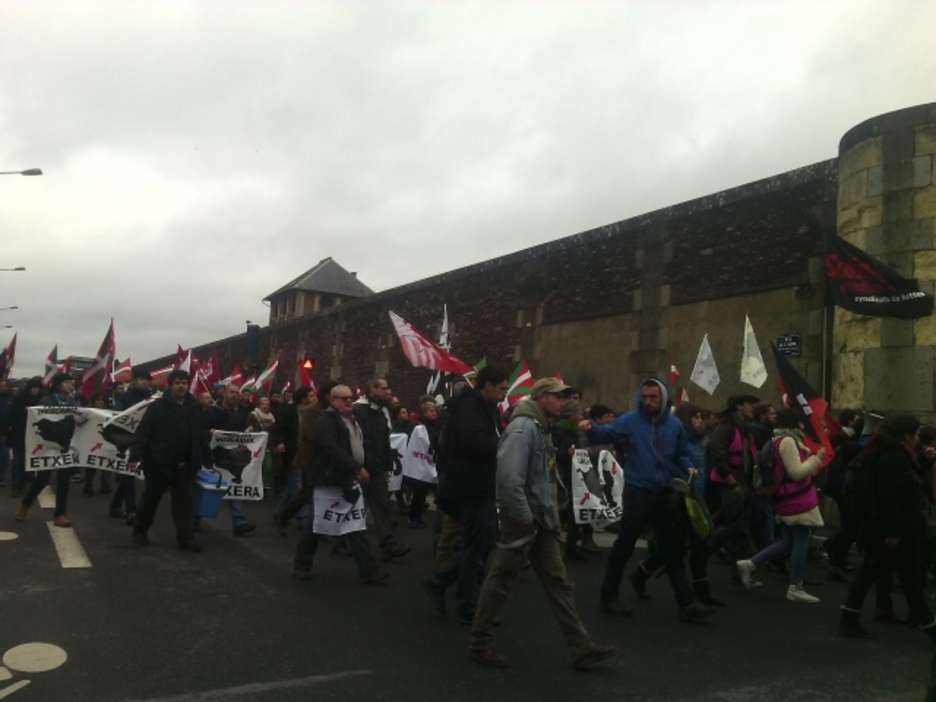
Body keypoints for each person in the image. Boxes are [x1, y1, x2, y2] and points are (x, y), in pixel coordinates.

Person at [468, 378, 616, 670]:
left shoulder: (541, 428)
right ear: (541, 398)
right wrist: (524, 517)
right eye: (557, 397)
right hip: (523, 519)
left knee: (558, 581)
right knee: (501, 579)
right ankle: (479, 642)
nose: (564, 402)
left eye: (564, 397)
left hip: (541, 519)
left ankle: (581, 647)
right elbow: (509, 480)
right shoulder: (523, 430)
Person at [581, 378, 714, 621]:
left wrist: (688, 466)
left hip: (664, 493)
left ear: (663, 398)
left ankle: (686, 603)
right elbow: (605, 432)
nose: (648, 401)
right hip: (637, 491)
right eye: (645, 397)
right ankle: (608, 596)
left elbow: (681, 453)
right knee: (624, 545)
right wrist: (589, 428)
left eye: (653, 397)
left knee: (672, 548)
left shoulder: (674, 425)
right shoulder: (630, 420)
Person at [840, 415, 936, 643]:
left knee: (872, 573)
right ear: (906, 435)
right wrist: (893, 532)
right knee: (910, 579)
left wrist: (923, 460)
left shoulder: (896, 453)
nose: (917, 439)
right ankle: (930, 627)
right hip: (894, 531)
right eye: (916, 435)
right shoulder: (893, 457)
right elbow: (889, 497)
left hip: (889, 529)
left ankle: (850, 616)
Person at [424, 366, 509, 623]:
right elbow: (475, 441)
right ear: (487, 386)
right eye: (502, 389)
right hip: (470, 485)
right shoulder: (470, 407)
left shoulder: (486, 408)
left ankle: (443, 582)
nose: (505, 394)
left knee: (483, 543)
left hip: (480, 483)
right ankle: (467, 604)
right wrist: (507, 444)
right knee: (475, 546)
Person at [292, 384, 388, 583]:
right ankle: (302, 564)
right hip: (329, 481)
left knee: (355, 524)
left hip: (347, 480)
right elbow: (331, 449)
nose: (349, 401)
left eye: (350, 398)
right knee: (316, 524)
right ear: (333, 400)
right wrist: (356, 467)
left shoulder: (352, 420)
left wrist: (367, 465)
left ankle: (368, 568)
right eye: (344, 398)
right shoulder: (324, 421)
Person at [736, 409, 827, 603]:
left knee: (787, 542)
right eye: (801, 422)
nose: (803, 426)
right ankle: (795, 586)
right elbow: (796, 473)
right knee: (801, 541)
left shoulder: (781, 440)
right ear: (794, 423)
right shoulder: (788, 442)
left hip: (788, 498)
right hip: (797, 499)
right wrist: (816, 459)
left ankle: (750, 564)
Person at [129, 370, 211, 552]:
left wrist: (208, 459)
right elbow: (143, 432)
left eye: (184, 383)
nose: (181, 386)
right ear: (170, 386)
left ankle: (186, 538)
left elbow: (201, 435)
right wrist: (135, 456)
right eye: (177, 383)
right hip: (159, 462)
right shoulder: (158, 407)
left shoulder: (194, 408)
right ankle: (140, 530)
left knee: (184, 502)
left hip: (185, 464)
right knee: (151, 499)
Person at [705, 393, 760, 586]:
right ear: (738, 406)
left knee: (740, 528)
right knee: (734, 526)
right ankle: (703, 549)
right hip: (731, 484)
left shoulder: (744, 429)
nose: (753, 407)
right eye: (749, 403)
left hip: (744, 484)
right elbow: (718, 455)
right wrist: (732, 483)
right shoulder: (726, 428)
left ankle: (738, 573)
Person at [353, 376, 410, 561]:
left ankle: (388, 544)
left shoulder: (383, 411)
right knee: (351, 505)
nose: (388, 392)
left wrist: (386, 465)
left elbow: (385, 440)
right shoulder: (358, 409)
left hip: (377, 468)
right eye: (384, 389)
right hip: (360, 468)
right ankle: (341, 540)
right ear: (372, 389)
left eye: (388, 388)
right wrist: (358, 466)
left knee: (381, 505)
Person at [16, 372, 80, 527]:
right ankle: (25, 504)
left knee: (64, 479)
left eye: (71, 382)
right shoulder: (48, 399)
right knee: (42, 479)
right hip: (49, 444)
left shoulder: (72, 401)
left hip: (65, 445)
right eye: (66, 382)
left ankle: (60, 514)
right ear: (58, 384)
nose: (70, 385)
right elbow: (41, 418)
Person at [203, 383, 257, 536]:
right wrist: (208, 432)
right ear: (224, 393)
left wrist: (248, 431)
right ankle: (195, 519)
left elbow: (241, 431)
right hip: (215, 457)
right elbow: (200, 429)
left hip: (233, 458)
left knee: (235, 488)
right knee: (209, 489)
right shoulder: (211, 412)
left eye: (237, 392)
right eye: (232, 392)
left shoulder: (241, 413)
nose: (235, 395)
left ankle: (239, 523)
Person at [109, 369, 154, 524]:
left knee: (128, 473)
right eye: (141, 379)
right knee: (128, 472)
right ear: (135, 381)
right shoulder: (125, 397)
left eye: (147, 379)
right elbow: (116, 416)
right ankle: (131, 511)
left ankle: (115, 506)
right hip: (127, 440)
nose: (145, 382)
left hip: (143, 440)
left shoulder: (151, 398)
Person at [6, 376, 43, 499]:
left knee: (27, 462)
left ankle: (22, 485)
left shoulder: (41, 401)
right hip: (19, 435)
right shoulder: (20, 399)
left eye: (37, 388)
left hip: (34, 436)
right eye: (33, 388)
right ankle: (15, 486)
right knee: (18, 461)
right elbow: (12, 415)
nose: (35, 390)